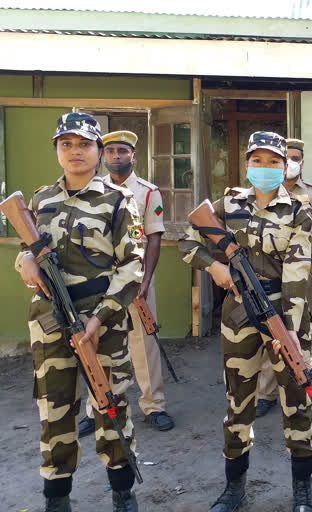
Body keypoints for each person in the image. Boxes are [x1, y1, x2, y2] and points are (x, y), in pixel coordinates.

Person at [179, 131, 312, 512]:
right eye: (258, 161)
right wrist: (216, 267)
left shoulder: (299, 209)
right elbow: (188, 244)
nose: (266, 168)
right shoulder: (228, 204)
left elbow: (297, 269)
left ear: (285, 165)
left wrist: (287, 329)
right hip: (238, 315)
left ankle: (302, 490)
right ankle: (234, 488)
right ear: (247, 164)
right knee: (238, 402)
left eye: (274, 162)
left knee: (297, 401)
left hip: (284, 313)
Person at [16, 113, 144, 512]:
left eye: (84, 144)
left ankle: (123, 493)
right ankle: (57, 498)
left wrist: (99, 317)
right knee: (54, 411)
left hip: (101, 321)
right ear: (56, 149)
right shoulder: (41, 199)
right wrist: (23, 261)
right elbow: (31, 247)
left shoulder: (118, 200)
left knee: (111, 406)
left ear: (98, 152)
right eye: (66, 144)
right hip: (50, 321)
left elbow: (133, 267)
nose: (75, 152)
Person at [77, 130, 174, 437]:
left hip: (136, 278)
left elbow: (154, 237)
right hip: (99, 281)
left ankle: (153, 405)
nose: (115, 156)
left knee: (144, 344)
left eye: (122, 151)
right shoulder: (91, 190)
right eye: (110, 151)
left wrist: (145, 280)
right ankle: (96, 408)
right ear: (102, 156)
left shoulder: (148, 192)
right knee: (96, 342)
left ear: (133, 155)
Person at [255, 138, 312, 419]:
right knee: (269, 330)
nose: (291, 162)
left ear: (302, 161)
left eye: (296, 157)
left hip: (304, 273)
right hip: (267, 273)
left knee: (307, 331)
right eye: (286, 157)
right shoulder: (259, 192)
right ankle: (266, 393)